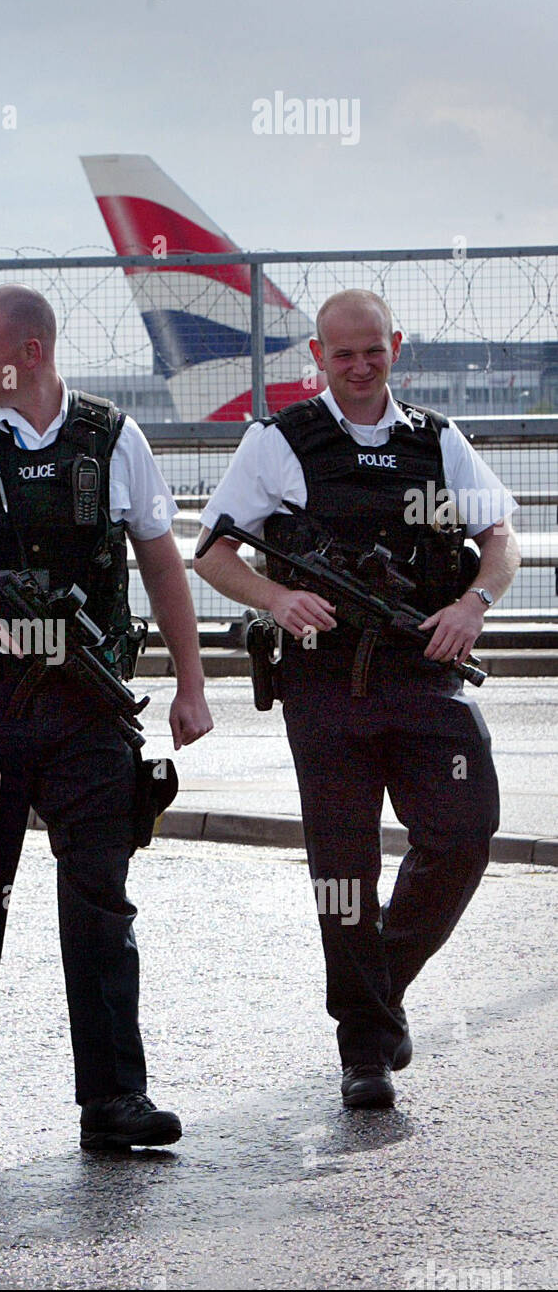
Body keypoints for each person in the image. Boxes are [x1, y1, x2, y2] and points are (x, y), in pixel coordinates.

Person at [195, 289, 520, 1109]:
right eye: (341, 354)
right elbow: (213, 551)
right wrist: (274, 600)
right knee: (341, 869)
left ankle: (373, 988)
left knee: (462, 833)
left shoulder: (436, 439)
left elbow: (499, 538)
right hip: (325, 683)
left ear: (395, 346)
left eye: (371, 349)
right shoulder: (277, 441)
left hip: (423, 672)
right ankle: (364, 1049)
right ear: (316, 357)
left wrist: (471, 604)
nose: (358, 365)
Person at [0, 284, 214, 1148]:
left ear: (29, 354)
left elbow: (160, 562)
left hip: (90, 704)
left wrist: (190, 685)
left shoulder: (113, 438)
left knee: (101, 897)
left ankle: (113, 1100)